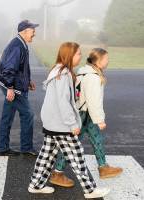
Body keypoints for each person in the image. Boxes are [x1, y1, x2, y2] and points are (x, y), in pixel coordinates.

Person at [28, 42, 110, 199]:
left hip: (53, 122)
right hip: (61, 124)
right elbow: (63, 102)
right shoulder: (63, 75)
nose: (81, 56)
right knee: (77, 156)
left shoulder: (59, 71)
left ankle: (36, 185)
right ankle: (90, 190)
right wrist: (73, 124)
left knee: (47, 156)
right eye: (78, 53)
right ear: (70, 55)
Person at [49, 48, 123, 187]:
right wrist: (99, 120)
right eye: (106, 59)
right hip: (83, 114)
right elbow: (93, 101)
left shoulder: (84, 71)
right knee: (71, 145)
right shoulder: (93, 77)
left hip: (86, 113)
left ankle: (103, 167)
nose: (108, 61)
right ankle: (57, 173)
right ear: (99, 61)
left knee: (97, 139)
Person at [0, 20, 39, 156]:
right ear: (24, 31)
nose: (34, 34)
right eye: (33, 31)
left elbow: (20, 68)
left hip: (14, 84)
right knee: (27, 114)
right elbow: (9, 69)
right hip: (13, 87)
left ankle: (2, 147)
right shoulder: (17, 46)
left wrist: (28, 81)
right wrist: (10, 87)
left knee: (7, 116)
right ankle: (26, 148)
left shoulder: (21, 43)